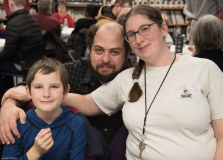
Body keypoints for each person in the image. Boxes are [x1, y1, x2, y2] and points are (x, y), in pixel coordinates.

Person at [0, 22, 131, 159]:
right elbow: (32, 83)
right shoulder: (72, 72)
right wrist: (9, 104)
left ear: (128, 54)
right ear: (89, 50)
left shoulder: (136, 81)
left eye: (114, 52)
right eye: (98, 50)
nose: (105, 59)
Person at [2, 57, 86, 159]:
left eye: (54, 87)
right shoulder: (17, 125)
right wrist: (35, 152)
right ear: (28, 91)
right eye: (38, 87)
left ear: (66, 90)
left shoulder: (77, 125)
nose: (46, 94)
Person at [0, 0, 42, 98]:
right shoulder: (34, 20)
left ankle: (4, 95)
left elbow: (7, 53)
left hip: (20, 65)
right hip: (33, 62)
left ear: (11, 4)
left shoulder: (12, 23)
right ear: (24, 4)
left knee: (3, 63)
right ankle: (8, 90)